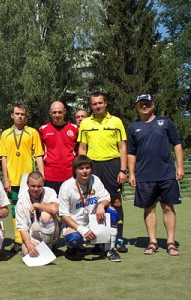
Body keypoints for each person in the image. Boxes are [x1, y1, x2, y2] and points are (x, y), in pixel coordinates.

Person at [127, 94, 184, 256]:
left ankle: (171, 242)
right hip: (144, 176)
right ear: (137, 106)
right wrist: (131, 173)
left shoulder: (165, 122)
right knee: (149, 209)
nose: (144, 106)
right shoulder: (133, 127)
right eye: (141, 104)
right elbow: (131, 152)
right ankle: (152, 242)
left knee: (168, 207)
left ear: (153, 105)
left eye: (147, 103)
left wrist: (179, 167)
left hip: (166, 174)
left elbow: (177, 144)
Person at [78, 92, 128, 253]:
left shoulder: (116, 121)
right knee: (93, 203)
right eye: (94, 104)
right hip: (93, 166)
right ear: (90, 106)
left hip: (112, 166)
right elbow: (83, 148)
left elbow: (122, 147)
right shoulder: (85, 123)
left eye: (100, 103)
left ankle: (118, 239)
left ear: (105, 103)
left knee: (116, 202)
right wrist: (80, 168)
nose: (98, 106)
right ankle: (100, 240)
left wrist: (123, 170)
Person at [0, 104, 44, 253]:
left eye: (22, 114)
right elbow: (3, 158)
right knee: (15, 209)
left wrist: (41, 175)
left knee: (32, 207)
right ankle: (18, 239)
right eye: (17, 114)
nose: (19, 116)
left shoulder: (32, 133)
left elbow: (38, 155)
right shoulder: (5, 134)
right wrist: (5, 178)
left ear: (26, 116)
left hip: (29, 178)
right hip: (13, 178)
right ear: (12, 115)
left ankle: (36, 237)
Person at [58, 155, 120, 262]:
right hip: (75, 224)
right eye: (81, 168)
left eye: (87, 168)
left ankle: (111, 249)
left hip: (93, 221)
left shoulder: (95, 180)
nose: (85, 171)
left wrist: (101, 205)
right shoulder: (66, 187)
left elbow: (106, 197)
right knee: (74, 239)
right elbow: (63, 215)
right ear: (75, 170)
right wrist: (82, 229)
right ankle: (73, 248)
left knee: (112, 211)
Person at [15, 171, 59, 256]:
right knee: (27, 253)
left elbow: (54, 209)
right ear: (27, 184)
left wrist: (37, 205)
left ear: (43, 184)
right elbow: (22, 227)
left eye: (39, 186)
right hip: (34, 236)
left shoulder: (49, 192)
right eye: (33, 186)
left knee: (45, 216)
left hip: (52, 233)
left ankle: (48, 247)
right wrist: (28, 244)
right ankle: (38, 247)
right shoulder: (21, 201)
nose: (36, 189)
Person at [39, 101, 79, 194]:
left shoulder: (75, 129)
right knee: (51, 205)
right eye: (54, 112)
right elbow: (39, 154)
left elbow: (79, 152)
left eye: (60, 112)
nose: (57, 115)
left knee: (71, 205)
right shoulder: (43, 130)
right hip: (50, 176)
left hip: (70, 175)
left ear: (65, 111)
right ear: (50, 113)